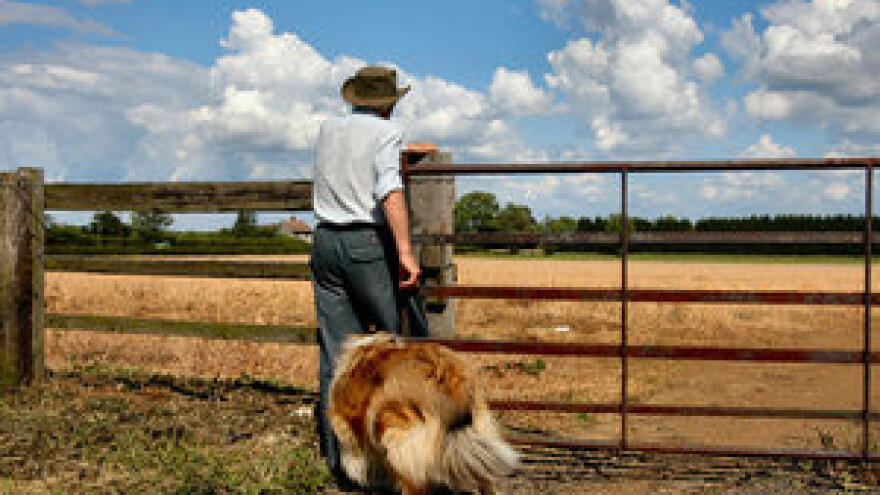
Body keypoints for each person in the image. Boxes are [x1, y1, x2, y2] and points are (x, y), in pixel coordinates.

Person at [310, 65, 421, 488]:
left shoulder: (327, 129)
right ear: (389, 102)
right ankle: (398, 457)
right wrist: (406, 252)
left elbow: (354, 160)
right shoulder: (386, 134)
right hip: (365, 245)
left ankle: (343, 463)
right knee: (396, 345)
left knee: (336, 354)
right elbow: (388, 191)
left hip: (324, 241)